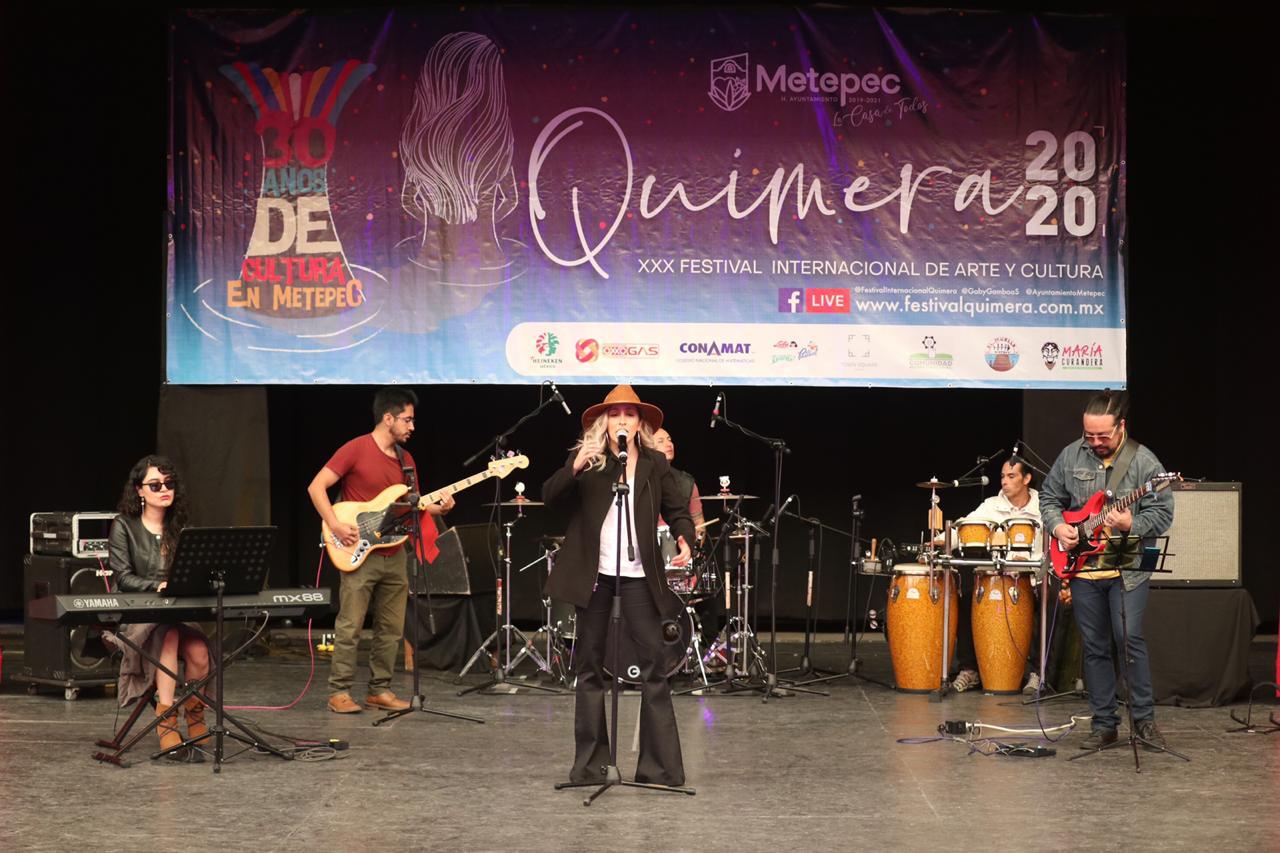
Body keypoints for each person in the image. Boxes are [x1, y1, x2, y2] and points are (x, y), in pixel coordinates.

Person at [542, 385, 695, 786]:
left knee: (654, 668)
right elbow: (550, 496)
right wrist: (576, 466)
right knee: (590, 668)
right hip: (595, 577)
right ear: (604, 422)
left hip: (640, 577)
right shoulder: (589, 459)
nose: (622, 420)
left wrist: (685, 538)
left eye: (629, 414)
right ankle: (591, 766)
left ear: (639, 422)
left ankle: (658, 769)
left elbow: (677, 510)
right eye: (615, 414)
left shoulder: (655, 464)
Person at [308, 387, 455, 714]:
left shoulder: (406, 460)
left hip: (394, 551)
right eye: (407, 419)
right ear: (388, 418)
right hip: (359, 551)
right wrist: (334, 524)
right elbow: (316, 487)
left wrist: (439, 508)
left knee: (391, 628)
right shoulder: (356, 448)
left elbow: (412, 506)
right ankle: (339, 691)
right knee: (351, 625)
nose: (412, 426)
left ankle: (380, 690)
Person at [1040, 391, 1174, 750]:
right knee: (1095, 647)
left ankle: (1144, 722)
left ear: (1121, 427)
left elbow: (1163, 513)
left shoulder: (1144, 462)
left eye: (1103, 436)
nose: (1096, 443)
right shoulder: (1071, 455)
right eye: (1090, 436)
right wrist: (1058, 527)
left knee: (1129, 639)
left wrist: (1133, 523)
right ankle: (1104, 724)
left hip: (1127, 567)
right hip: (1083, 568)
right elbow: (1049, 497)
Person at [105, 455, 211, 762]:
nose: (164, 489)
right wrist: (158, 585)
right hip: (139, 614)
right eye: (155, 485)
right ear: (139, 490)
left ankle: (196, 718)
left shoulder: (181, 527)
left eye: (169, 484)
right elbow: (123, 578)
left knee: (199, 651)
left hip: (176, 611)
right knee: (169, 635)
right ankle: (167, 724)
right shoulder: (124, 526)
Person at [949, 458, 1042, 694]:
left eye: (1011, 476)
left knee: (1049, 604)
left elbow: (1055, 545)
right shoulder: (991, 505)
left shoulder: (1043, 507)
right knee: (966, 600)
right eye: (1002, 476)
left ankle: (1037, 673)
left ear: (1027, 479)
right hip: (997, 580)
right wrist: (941, 539)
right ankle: (970, 669)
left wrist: (1030, 563)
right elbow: (965, 527)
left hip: (1032, 579)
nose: (1004, 481)